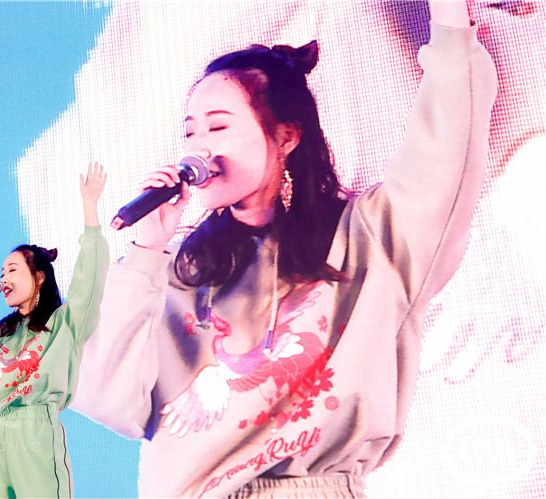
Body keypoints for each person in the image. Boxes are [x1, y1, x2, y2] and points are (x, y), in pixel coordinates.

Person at [72, 1, 497, 497]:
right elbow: (106, 400)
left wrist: (450, 25)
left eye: (218, 126)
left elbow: (443, 152)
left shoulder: (369, 239)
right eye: (190, 131)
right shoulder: (178, 272)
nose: (199, 147)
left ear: (285, 136)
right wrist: (146, 251)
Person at [0, 163, 109, 498]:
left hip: (33, 429)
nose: (3, 277)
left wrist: (90, 210)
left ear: (39, 277)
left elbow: (89, 281)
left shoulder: (64, 324)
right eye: (2, 271)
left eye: (13, 269)